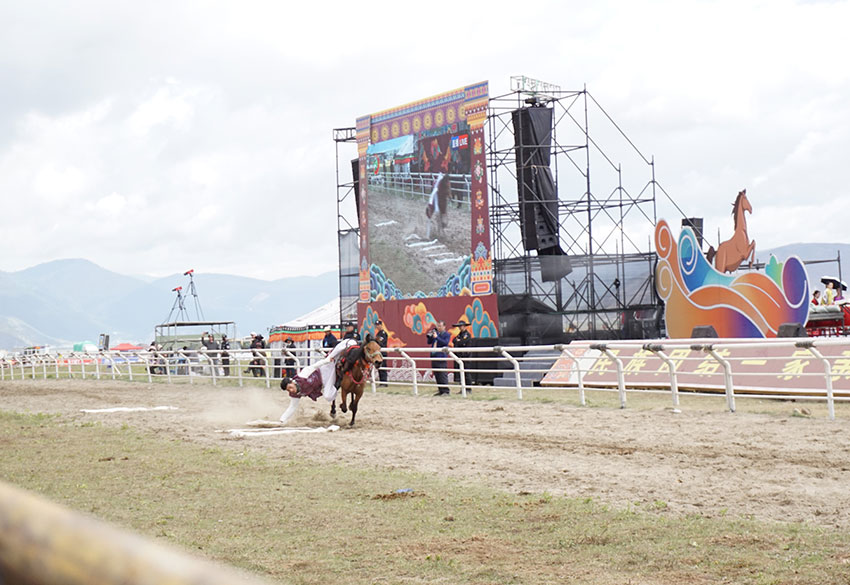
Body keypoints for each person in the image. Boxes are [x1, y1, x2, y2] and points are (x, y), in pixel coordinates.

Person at [278, 337, 359, 424]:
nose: (291, 390)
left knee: (333, 356)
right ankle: (339, 383)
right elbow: (292, 407)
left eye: (290, 387)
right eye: (288, 390)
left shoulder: (302, 376)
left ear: (292, 382)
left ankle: (349, 342)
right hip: (324, 382)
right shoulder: (294, 394)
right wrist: (282, 419)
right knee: (328, 396)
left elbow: (314, 366)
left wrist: (326, 360)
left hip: (323, 371)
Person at [426, 321, 451, 396]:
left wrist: (437, 337)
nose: (438, 327)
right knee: (437, 374)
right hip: (434, 356)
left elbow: (445, 343)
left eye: (440, 326)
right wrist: (430, 336)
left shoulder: (446, 334)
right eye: (437, 326)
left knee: (442, 374)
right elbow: (429, 342)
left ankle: (446, 391)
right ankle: (440, 390)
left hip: (441, 356)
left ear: (444, 327)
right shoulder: (435, 333)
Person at [452, 319, 472, 391]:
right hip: (460, 355)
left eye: (461, 326)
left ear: (464, 326)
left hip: (466, 356)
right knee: (461, 373)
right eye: (459, 326)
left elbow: (463, 341)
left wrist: (459, 341)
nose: (460, 328)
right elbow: (454, 340)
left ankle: (468, 389)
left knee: (466, 373)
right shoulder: (459, 335)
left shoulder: (467, 334)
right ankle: (463, 388)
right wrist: (458, 341)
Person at [374, 320, 388, 386]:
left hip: (383, 353)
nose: (377, 326)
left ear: (381, 325)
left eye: (378, 325)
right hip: (379, 353)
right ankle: (381, 382)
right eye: (376, 325)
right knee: (380, 368)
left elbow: (381, 343)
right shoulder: (378, 334)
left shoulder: (383, 333)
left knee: (383, 368)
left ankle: (384, 382)